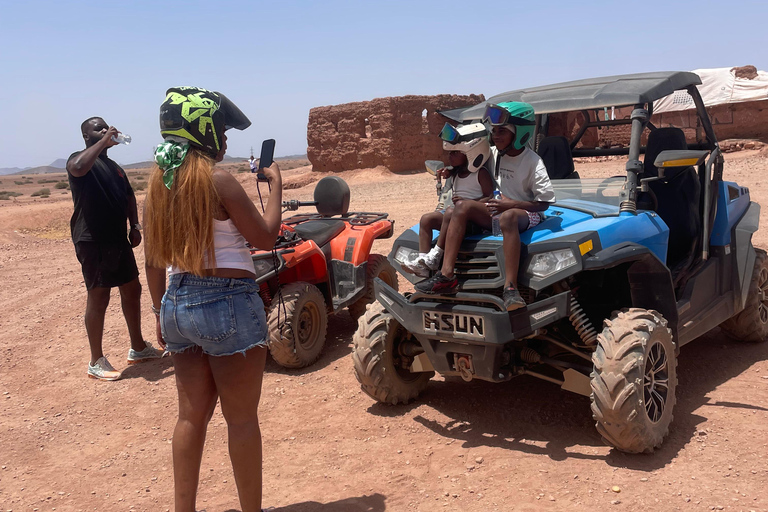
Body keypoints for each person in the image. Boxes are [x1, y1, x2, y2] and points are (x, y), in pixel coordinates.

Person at [144, 86, 282, 512]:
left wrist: (157, 313)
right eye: (220, 130)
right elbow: (265, 236)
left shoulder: (158, 182)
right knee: (240, 420)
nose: (224, 140)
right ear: (201, 130)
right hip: (227, 302)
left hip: (178, 303)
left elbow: (152, 258)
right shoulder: (218, 179)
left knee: (190, 417)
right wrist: (274, 184)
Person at [415, 102, 555, 311]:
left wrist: (511, 204)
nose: (496, 136)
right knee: (457, 209)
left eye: (502, 131)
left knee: (508, 217)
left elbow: (544, 203)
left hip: (525, 212)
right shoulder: (493, 153)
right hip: (495, 209)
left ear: (520, 133)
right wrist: (451, 170)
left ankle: (510, 288)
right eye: (494, 131)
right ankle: (444, 276)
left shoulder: (533, 162)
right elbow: (468, 159)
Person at [66, 117, 164, 381]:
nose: (107, 130)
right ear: (87, 136)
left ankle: (138, 347)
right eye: (99, 128)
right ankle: (95, 361)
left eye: (106, 126)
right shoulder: (79, 158)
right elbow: (77, 168)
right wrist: (102, 142)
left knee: (132, 288)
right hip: (93, 239)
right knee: (99, 296)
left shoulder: (115, 167)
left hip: (117, 239)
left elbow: (129, 195)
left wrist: (134, 226)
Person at [402, 122, 494, 277]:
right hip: (454, 216)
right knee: (426, 219)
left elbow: (490, 197)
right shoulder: (456, 173)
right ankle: (422, 261)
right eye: (450, 153)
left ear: (470, 153)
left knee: (451, 211)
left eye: (455, 153)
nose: (449, 156)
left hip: (472, 221)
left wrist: (467, 202)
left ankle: (436, 255)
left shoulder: (481, 173)